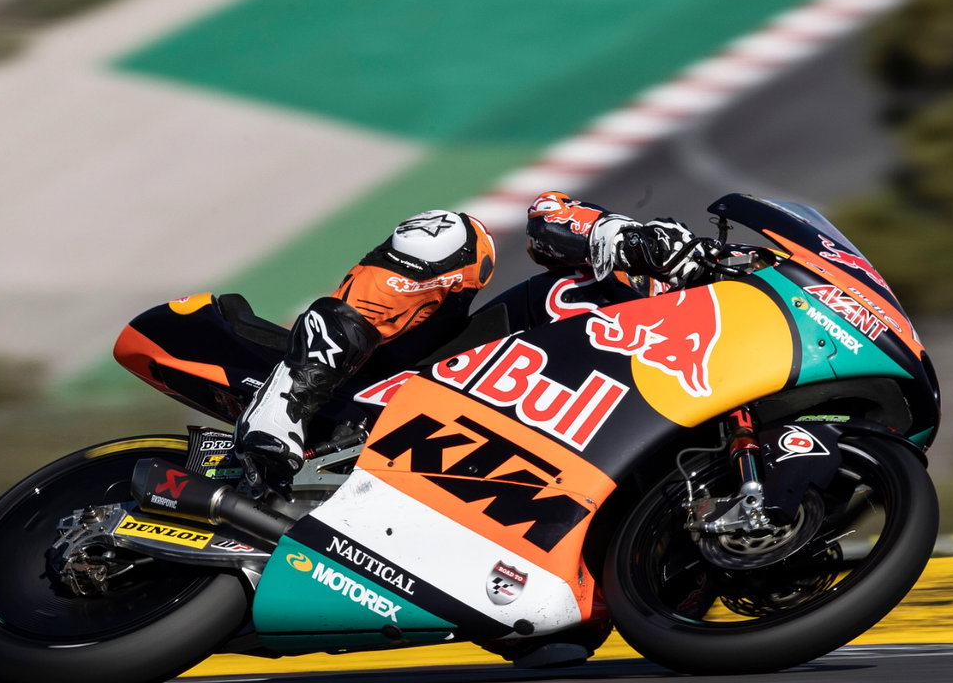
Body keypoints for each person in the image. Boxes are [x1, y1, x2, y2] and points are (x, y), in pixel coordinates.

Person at [233, 191, 714, 488]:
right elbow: (547, 216)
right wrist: (628, 238)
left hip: (537, 473)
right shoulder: (660, 272)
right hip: (450, 375)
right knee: (454, 237)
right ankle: (283, 402)